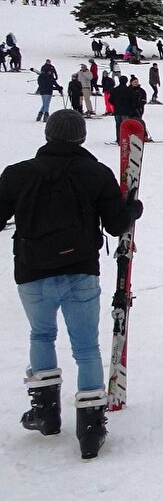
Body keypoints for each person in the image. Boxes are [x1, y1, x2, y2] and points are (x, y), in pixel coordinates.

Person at [0, 109, 142, 460]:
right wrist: (132, 209)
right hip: (80, 271)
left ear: (48, 135)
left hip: (32, 272)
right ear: (81, 137)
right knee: (86, 347)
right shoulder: (95, 173)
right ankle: (91, 427)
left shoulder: (17, 174)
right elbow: (115, 225)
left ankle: (46, 413)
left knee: (41, 336)